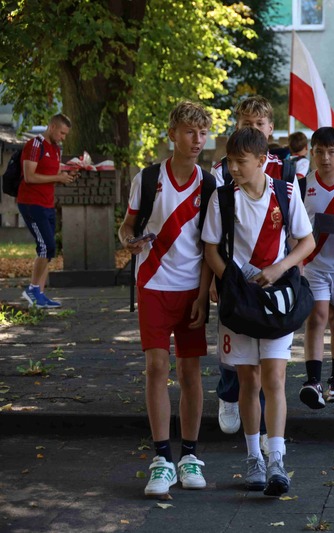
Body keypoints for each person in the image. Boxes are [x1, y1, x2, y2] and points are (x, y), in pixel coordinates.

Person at [203, 127, 314, 496]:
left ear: (262, 160)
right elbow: (211, 249)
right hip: (239, 302)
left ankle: (277, 458)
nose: (233, 168)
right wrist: (232, 281)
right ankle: (253, 458)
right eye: (230, 162)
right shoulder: (223, 197)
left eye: (241, 161)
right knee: (248, 380)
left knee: (275, 379)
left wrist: (280, 268)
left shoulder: (285, 192)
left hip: (276, 300)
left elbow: (306, 241)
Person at [117, 101, 213, 497]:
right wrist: (129, 241)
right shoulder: (148, 177)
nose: (197, 140)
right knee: (156, 368)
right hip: (153, 284)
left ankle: (189, 455)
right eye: (190, 132)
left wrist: (204, 295)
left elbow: (211, 246)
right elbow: (127, 225)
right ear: (173, 134)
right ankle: (161, 459)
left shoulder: (210, 184)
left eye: (202, 132)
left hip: (191, 289)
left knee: (190, 373)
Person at [210, 96, 290, 446]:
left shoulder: (285, 171)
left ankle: (265, 422)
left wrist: (290, 272)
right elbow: (215, 232)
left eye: (259, 124)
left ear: (270, 128)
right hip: (233, 274)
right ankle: (229, 396)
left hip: (273, 279)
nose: (253, 129)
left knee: (270, 352)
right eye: (246, 124)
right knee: (236, 339)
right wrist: (217, 278)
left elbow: (296, 232)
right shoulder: (222, 170)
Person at [299, 127, 334, 409]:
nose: (325, 158)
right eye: (319, 152)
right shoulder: (302, 186)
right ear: (312, 153)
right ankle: (313, 379)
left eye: (331, 152)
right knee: (317, 317)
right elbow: (295, 226)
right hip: (314, 265)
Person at [17, 113, 76, 309]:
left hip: (47, 204)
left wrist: (66, 175)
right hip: (31, 203)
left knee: (48, 250)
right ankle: (33, 290)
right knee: (46, 247)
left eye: (66, 134)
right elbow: (29, 176)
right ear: (52, 127)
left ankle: (39, 296)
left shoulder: (56, 149)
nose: (63, 138)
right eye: (62, 133)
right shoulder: (35, 145)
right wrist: (58, 178)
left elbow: (53, 172)